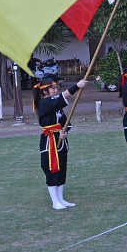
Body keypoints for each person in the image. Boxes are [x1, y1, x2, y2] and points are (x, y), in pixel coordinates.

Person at [32, 75, 88, 210]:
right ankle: (55, 201)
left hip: (61, 141)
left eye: (56, 88)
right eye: (53, 88)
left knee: (62, 169)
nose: (55, 90)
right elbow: (61, 98)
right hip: (49, 141)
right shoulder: (44, 103)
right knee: (52, 170)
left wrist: (64, 132)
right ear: (45, 91)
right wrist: (77, 86)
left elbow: (66, 123)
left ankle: (61, 199)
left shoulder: (55, 106)